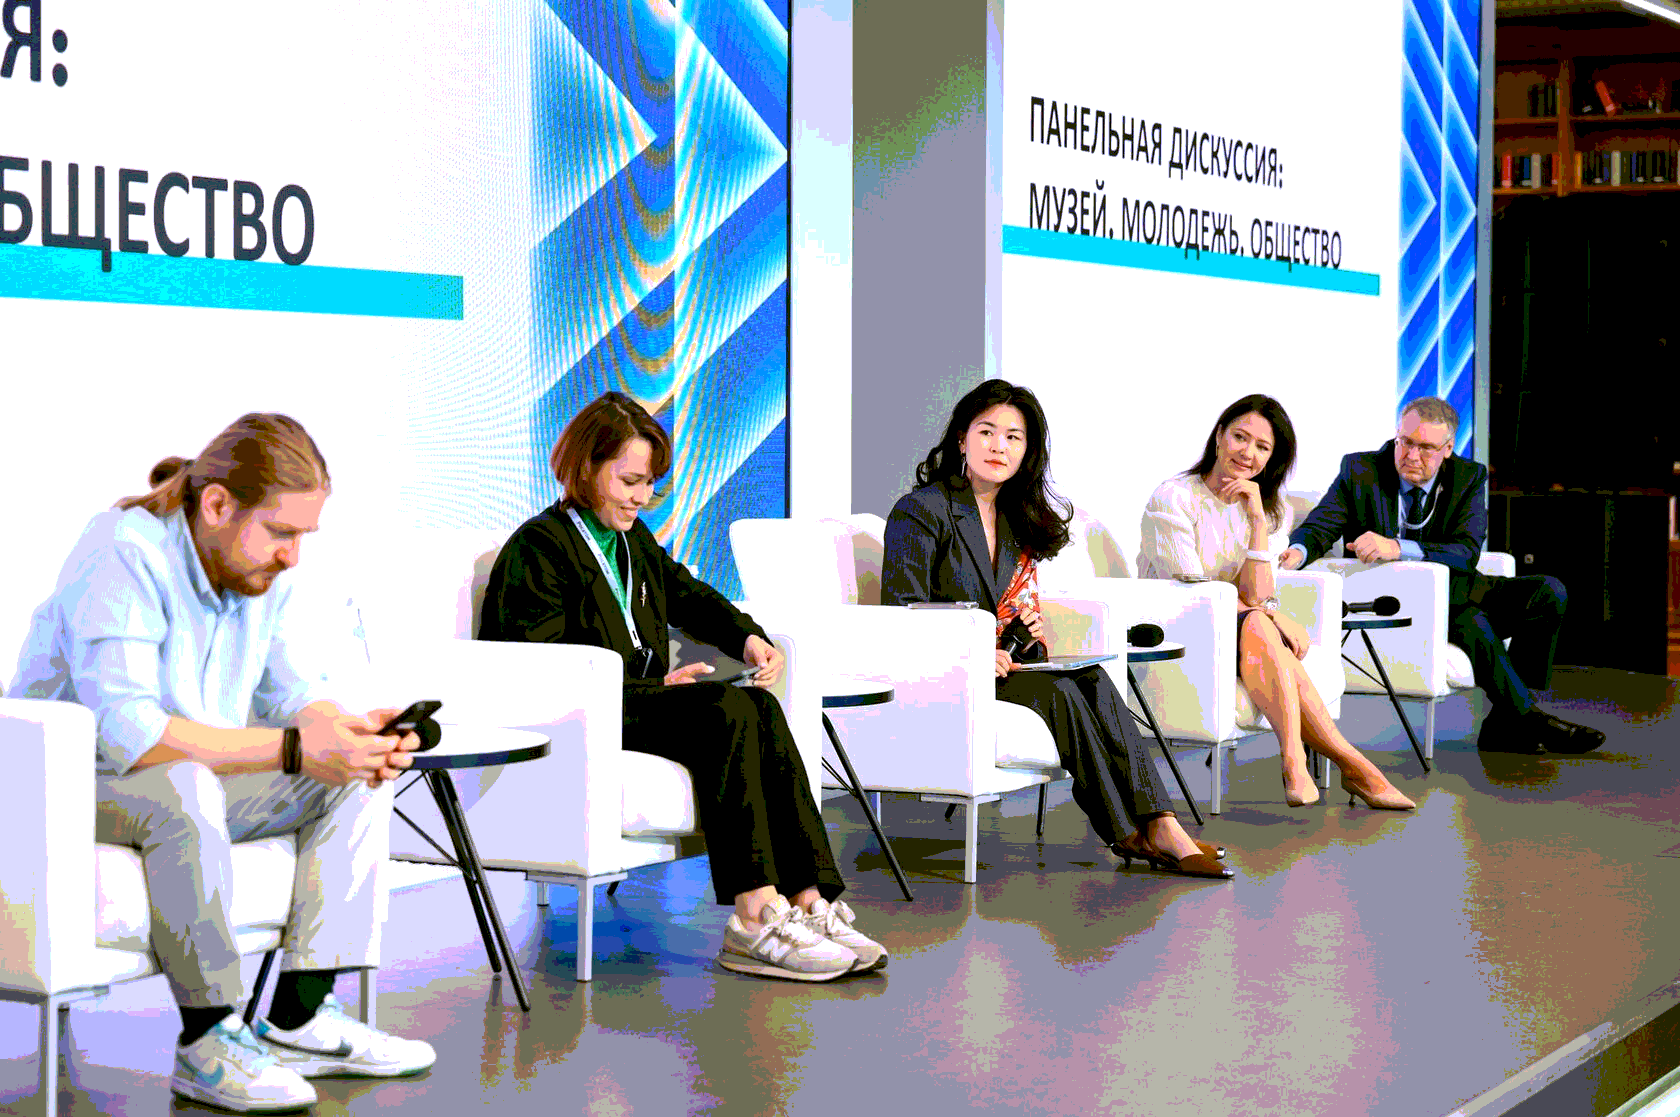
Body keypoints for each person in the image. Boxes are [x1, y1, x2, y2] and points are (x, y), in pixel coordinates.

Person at [11, 414, 438, 1114]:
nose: (293, 556)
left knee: (353, 779)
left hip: (175, 783)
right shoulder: (120, 550)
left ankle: (300, 1018)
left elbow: (291, 692)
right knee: (185, 786)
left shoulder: (259, 577)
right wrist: (296, 749)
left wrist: (349, 734)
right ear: (216, 506)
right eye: (282, 533)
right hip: (62, 785)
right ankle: (207, 1041)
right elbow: (129, 735)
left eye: (303, 536)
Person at [478, 391, 886, 981]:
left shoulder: (630, 540)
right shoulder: (539, 548)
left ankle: (808, 902)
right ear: (585, 468)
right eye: (630, 481)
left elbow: (688, 594)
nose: (641, 497)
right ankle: (754, 917)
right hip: (574, 712)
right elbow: (541, 669)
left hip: (627, 699)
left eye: (649, 484)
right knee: (725, 709)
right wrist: (645, 686)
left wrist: (747, 638)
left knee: (758, 706)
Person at [881, 378, 1233, 880]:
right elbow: (902, 611)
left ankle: (1162, 824)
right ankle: (1126, 833)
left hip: (1004, 663)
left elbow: (1010, 604)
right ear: (961, 438)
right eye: (986, 432)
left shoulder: (1013, 515)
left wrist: (1023, 630)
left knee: (1094, 678)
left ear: (1027, 451)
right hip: (949, 669)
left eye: (1013, 437)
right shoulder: (921, 510)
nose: (999, 446)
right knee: (1063, 693)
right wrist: (974, 651)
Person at [1280, 396, 1603, 755]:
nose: (1411, 455)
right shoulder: (1361, 470)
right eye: (1405, 442)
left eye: (1426, 448)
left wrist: (1398, 547)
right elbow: (1321, 525)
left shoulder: (1468, 477)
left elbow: (1466, 551)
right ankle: (1526, 720)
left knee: (1549, 592)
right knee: (1472, 620)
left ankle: (1507, 718)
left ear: (1448, 449)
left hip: (1460, 590)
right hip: (1399, 603)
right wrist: (1297, 552)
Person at [1139, 394, 1416, 811]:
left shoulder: (1269, 510)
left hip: (1238, 627)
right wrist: (1272, 616)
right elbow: (1196, 593)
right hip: (1175, 628)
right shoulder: (1174, 497)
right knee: (1260, 625)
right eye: (1240, 437)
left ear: (1272, 458)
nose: (1247, 453)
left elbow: (1256, 595)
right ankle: (1340, 764)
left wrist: (1255, 522)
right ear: (1219, 436)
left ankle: (1306, 764)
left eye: (1262, 447)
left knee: (1257, 626)